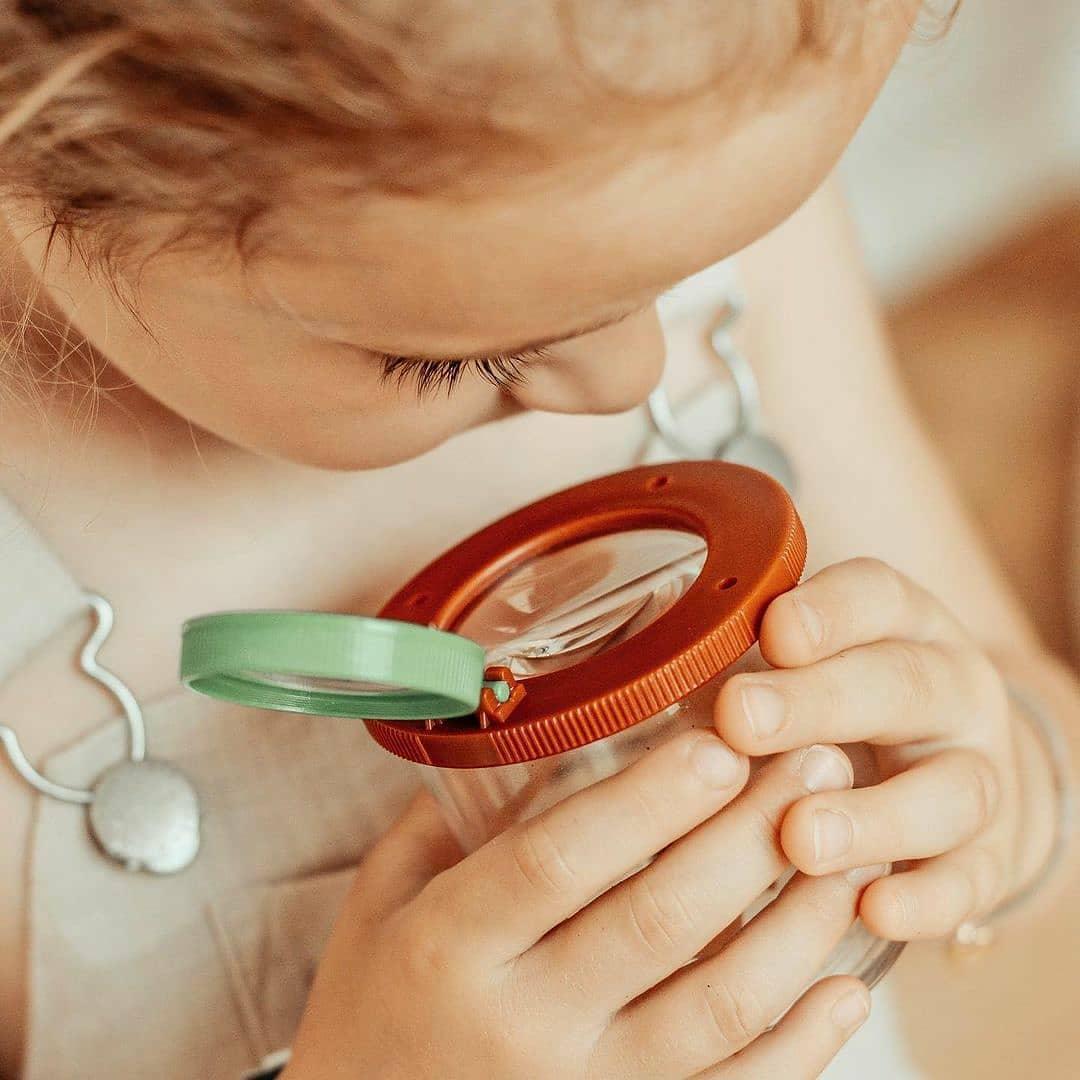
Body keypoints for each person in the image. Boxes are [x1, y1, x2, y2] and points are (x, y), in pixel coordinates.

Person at [0, 3, 1076, 1078]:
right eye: (451, 360)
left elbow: (1032, 733)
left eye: (711, 257)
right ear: (31, 136)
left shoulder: (681, 122)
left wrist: (1000, 793)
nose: (635, 378)